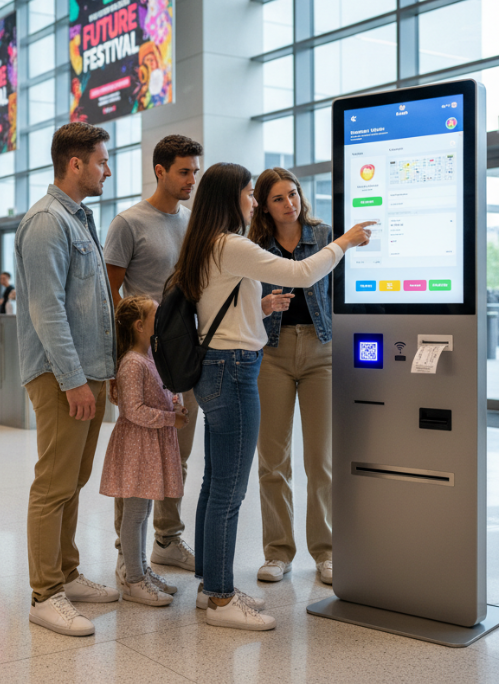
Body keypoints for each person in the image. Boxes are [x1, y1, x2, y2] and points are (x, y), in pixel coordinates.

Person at [170, 162, 372, 632]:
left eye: (288, 195)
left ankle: (210, 586)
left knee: (218, 481)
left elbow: (223, 303)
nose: (259, 203)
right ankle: (222, 595)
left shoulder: (204, 242)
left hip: (233, 362)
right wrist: (344, 242)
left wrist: (257, 306)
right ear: (234, 199)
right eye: (254, 194)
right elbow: (301, 274)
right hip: (240, 365)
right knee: (234, 485)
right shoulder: (236, 243)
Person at [16, 121, 119, 638]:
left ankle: (66, 573)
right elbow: (47, 310)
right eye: (102, 160)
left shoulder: (80, 219)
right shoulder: (46, 222)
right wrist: (74, 380)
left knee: (73, 481)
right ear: (75, 163)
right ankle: (44, 594)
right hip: (62, 376)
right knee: (54, 483)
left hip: (88, 372)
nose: (108, 168)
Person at [104, 133, 203, 576]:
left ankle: (167, 539)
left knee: (175, 452)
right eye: (184, 171)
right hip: (142, 359)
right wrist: (113, 363)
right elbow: (109, 297)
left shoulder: (192, 223)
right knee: (136, 459)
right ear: (160, 171)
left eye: (195, 171)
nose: (192, 180)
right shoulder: (128, 224)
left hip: (184, 356)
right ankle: (128, 554)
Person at [247, 167, 338, 587]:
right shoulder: (255, 247)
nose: (290, 203)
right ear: (265, 206)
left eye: (294, 194)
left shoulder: (323, 237)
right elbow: (242, 305)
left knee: (321, 460)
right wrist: (264, 303)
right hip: (274, 352)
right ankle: (278, 552)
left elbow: (340, 294)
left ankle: (328, 551)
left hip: (322, 352)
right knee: (273, 459)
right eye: (279, 198)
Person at [99, 296, 187, 607]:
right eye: (155, 317)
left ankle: (140, 570)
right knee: (135, 514)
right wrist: (169, 418)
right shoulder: (132, 363)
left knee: (143, 512)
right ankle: (134, 580)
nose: (161, 321)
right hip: (138, 446)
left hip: (149, 445)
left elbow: (159, 392)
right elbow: (133, 410)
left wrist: (173, 402)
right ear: (140, 326)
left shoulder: (149, 356)